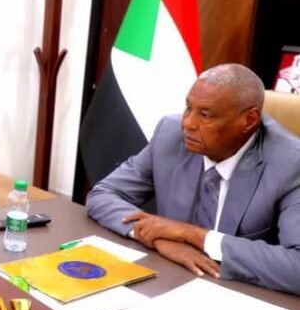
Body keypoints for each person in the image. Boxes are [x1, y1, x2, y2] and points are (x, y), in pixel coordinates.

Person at [86, 63, 300, 294]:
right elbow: (104, 193)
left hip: (244, 293)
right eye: (188, 107)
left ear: (249, 120)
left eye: (205, 115)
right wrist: (159, 239)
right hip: (170, 278)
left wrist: (192, 235)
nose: (187, 123)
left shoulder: (290, 164)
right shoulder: (170, 134)